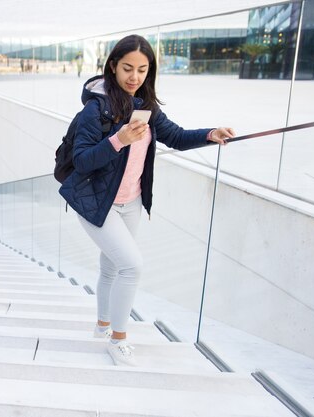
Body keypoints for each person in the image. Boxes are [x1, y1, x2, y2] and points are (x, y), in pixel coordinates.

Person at [58, 35, 234, 367]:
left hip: (132, 201)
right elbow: (81, 161)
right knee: (132, 266)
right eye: (127, 68)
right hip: (96, 202)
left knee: (111, 266)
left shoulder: (146, 106)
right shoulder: (95, 109)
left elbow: (177, 137)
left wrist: (210, 134)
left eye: (142, 69)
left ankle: (102, 325)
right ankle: (118, 339)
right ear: (112, 66)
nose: (134, 77)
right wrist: (118, 140)